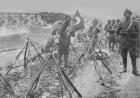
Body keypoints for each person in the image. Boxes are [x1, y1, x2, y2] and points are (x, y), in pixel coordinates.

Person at [115, 9, 140, 76]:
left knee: (133, 56)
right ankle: (124, 68)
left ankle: (135, 70)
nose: (127, 15)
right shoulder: (121, 23)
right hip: (123, 42)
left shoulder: (134, 22)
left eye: (129, 13)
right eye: (126, 14)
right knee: (123, 55)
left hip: (132, 42)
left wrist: (134, 38)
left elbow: (138, 32)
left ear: (130, 15)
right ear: (124, 15)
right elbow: (116, 32)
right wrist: (118, 40)